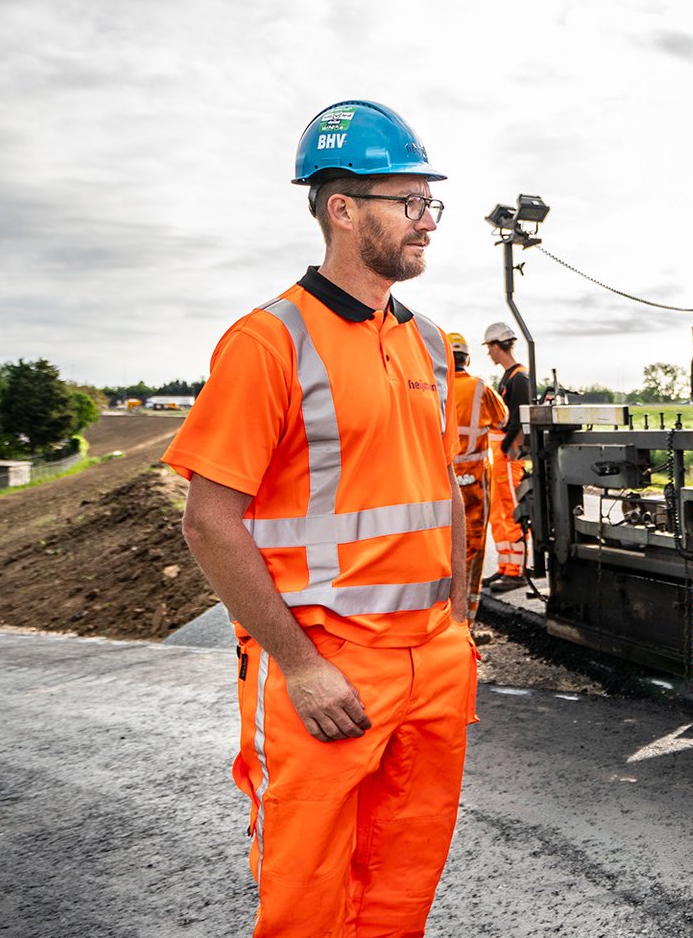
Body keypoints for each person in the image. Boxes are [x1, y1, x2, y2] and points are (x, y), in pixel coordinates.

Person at [166, 99, 477, 936]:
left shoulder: (424, 341)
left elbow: (440, 486)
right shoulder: (267, 342)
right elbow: (208, 520)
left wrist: (456, 621)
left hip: (430, 664)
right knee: (306, 898)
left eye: (429, 205)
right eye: (409, 204)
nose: (427, 224)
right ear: (342, 209)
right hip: (327, 662)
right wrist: (300, 665)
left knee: (401, 886)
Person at [446, 331, 509, 624]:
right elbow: (503, 419)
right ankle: (466, 620)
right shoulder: (480, 387)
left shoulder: (434, 387)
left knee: (441, 546)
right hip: (473, 479)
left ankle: (443, 618)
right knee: (472, 545)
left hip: (441, 479)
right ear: (467, 358)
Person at [480, 321, 532, 592]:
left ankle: (517, 570)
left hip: (509, 457)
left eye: (489, 347)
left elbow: (520, 422)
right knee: (499, 513)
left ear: (497, 346)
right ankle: (505, 566)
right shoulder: (509, 377)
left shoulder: (519, 378)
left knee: (512, 512)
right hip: (501, 456)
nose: (488, 353)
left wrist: (506, 451)